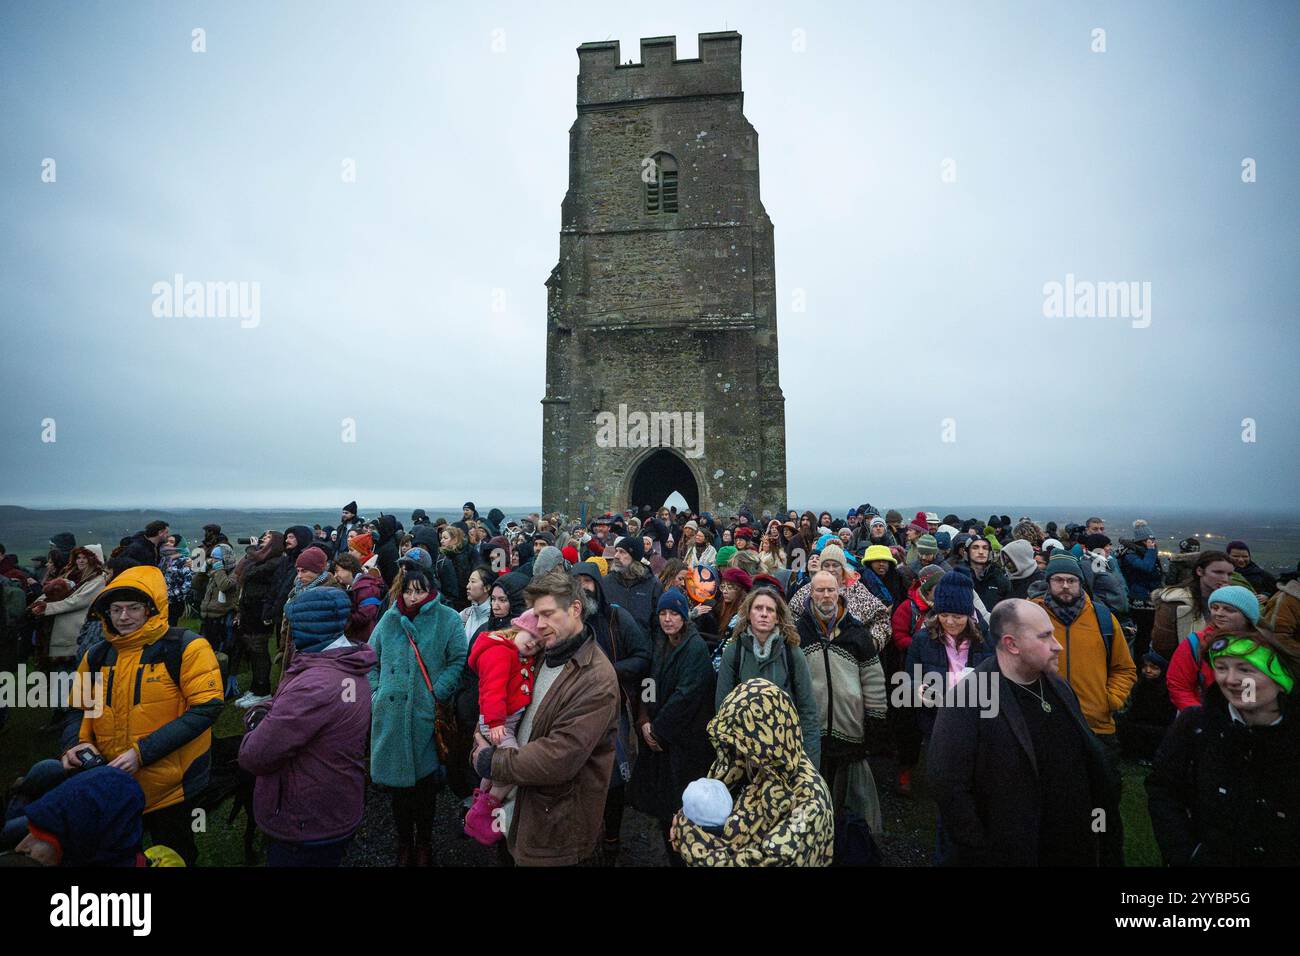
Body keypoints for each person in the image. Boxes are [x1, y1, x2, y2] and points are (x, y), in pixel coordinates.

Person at [927, 599, 1119, 866]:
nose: (1057, 645)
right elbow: (948, 786)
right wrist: (981, 851)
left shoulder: (1059, 687)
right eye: (1045, 636)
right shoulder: (968, 700)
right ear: (1012, 644)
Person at [60, 566, 223, 866]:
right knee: (116, 854)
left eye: (133, 608)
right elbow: (79, 708)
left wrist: (142, 753)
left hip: (172, 785)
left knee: (176, 854)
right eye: (116, 609)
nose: (124, 617)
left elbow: (206, 708)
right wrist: (75, 744)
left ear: (152, 608)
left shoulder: (186, 647)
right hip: (111, 778)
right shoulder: (97, 655)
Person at [470, 570, 620, 867]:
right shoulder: (538, 655)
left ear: (575, 609)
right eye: (536, 615)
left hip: (554, 831)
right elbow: (500, 702)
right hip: (518, 814)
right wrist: (485, 733)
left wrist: (491, 761)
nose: (539, 625)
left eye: (548, 614)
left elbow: (560, 756)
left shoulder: (596, 679)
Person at [238, 587, 376, 866]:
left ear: (307, 627)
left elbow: (255, 755)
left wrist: (256, 717)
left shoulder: (315, 685)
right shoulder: (348, 666)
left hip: (305, 819)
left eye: (293, 625)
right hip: (335, 802)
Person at [1146, 629, 1300, 865]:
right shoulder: (1194, 726)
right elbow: (1164, 791)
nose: (1230, 679)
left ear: (1279, 679)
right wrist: (1186, 853)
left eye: (1245, 669)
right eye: (1221, 668)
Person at [367, 548, 467, 866]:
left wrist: (437, 692)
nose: (413, 597)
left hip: (424, 717)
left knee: (424, 792)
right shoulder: (389, 619)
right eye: (408, 590)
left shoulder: (447, 619)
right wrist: (376, 693)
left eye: (419, 590)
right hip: (392, 718)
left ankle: (423, 844)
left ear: (430, 588)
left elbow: (458, 660)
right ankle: (403, 844)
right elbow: (372, 661)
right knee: (398, 793)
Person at [671, 678, 834, 866]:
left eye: (740, 742)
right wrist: (684, 819)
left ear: (765, 740)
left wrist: (691, 843)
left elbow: (772, 861)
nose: (735, 749)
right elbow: (701, 801)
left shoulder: (810, 799)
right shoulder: (744, 762)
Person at [628, 588, 715, 865]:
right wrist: (643, 719)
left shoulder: (694, 648)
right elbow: (650, 683)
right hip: (659, 735)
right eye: (663, 613)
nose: (667, 619)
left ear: (683, 616)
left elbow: (686, 695)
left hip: (683, 741)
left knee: (681, 801)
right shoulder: (661, 642)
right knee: (663, 805)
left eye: (673, 614)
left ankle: (685, 853)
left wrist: (658, 729)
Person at [798, 570, 887, 833]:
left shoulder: (857, 633)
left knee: (851, 807)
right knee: (813, 800)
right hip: (812, 732)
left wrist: (876, 720)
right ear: (810, 592)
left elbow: (873, 679)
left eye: (830, 590)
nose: (826, 595)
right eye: (820, 590)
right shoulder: (798, 632)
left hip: (850, 729)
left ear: (840, 591)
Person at [715, 586, 820, 767]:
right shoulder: (734, 652)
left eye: (770, 609)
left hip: (785, 755)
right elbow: (722, 709)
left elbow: (808, 710)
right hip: (744, 757)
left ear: (778, 617)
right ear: (748, 614)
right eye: (758, 608)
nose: (764, 614)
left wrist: (809, 764)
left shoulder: (792, 653)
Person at [462, 609, 543, 844]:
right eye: (531, 637)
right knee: (512, 768)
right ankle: (484, 813)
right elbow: (492, 691)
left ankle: (482, 797)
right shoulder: (500, 653)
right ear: (518, 629)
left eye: (538, 644)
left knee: (497, 768)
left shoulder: (516, 655)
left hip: (502, 722)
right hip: (499, 724)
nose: (533, 645)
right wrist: (496, 723)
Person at [1166, 584, 1260, 711]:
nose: (1219, 613)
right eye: (1215, 608)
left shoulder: (1261, 646)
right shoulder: (1196, 642)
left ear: (1247, 615)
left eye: (1229, 609)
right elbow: (1178, 685)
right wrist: (1200, 717)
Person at [1151, 551, 1235, 657]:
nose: (1225, 579)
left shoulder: (1233, 602)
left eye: (1229, 574)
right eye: (1218, 572)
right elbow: (1163, 647)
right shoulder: (1175, 603)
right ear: (1200, 571)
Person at [1117, 650, 1175, 763]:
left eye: (1154, 667)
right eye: (1145, 666)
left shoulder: (1168, 690)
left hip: (1159, 727)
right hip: (1138, 723)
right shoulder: (1140, 686)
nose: (1148, 670)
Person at [600, 535, 663, 636]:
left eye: (622, 552)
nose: (616, 556)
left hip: (642, 647)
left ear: (635, 557)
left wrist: (654, 651)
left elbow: (658, 625)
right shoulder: (606, 582)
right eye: (616, 551)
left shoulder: (653, 584)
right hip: (612, 648)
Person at [331, 551, 383, 643]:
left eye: (337, 570)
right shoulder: (354, 586)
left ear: (348, 568)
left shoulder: (367, 588)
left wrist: (344, 618)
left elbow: (365, 615)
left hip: (364, 641)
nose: (335, 575)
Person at [962, 536, 1011, 610]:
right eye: (975, 548)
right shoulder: (958, 577)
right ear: (967, 552)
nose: (981, 552)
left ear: (990, 553)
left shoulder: (1000, 580)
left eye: (985, 548)